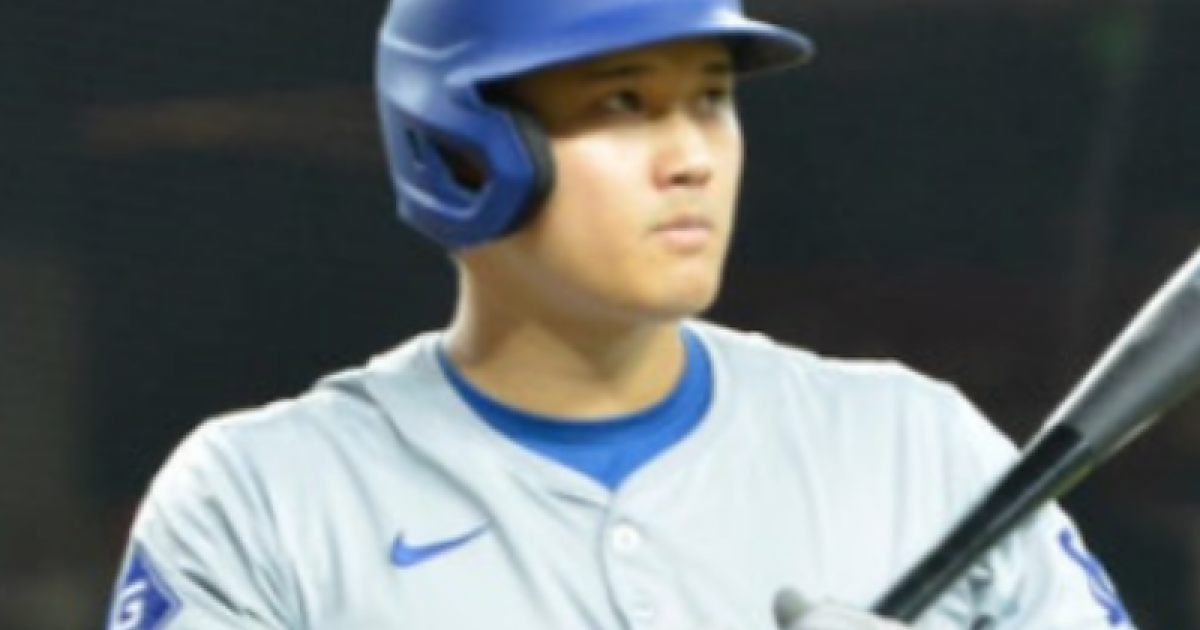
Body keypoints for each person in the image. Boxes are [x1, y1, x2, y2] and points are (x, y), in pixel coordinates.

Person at [104, 0, 1139, 628]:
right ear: (462, 149)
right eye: (622, 103)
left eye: (711, 98)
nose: (692, 156)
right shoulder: (265, 498)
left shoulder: (916, 445)